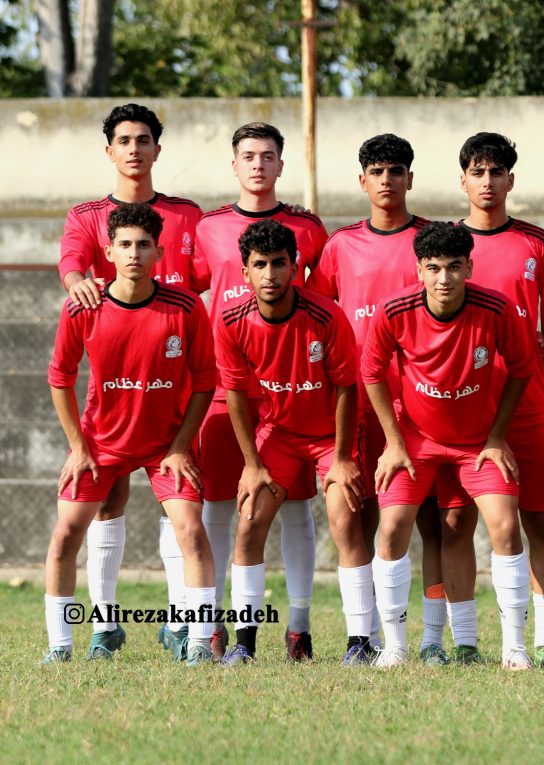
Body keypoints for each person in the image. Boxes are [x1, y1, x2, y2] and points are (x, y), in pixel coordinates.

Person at [58, 103, 203, 661]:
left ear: (157, 150)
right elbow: (72, 267)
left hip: (177, 373)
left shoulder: (188, 216)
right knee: (108, 501)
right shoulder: (87, 214)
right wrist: (78, 284)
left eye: (144, 139)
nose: (134, 149)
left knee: (180, 501)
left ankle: (180, 620)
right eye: (124, 140)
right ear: (110, 150)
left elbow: (220, 273)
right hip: (116, 386)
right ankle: (104, 625)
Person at [362, 222, 535, 669]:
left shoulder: (496, 309)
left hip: (476, 443)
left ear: (469, 268)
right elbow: (372, 372)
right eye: (434, 268)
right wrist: (394, 442)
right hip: (415, 441)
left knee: (503, 526)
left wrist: (497, 436)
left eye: (454, 267)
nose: (444, 279)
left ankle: (513, 647)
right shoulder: (394, 310)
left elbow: (520, 368)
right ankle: (396, 646)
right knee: (393, 528)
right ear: (418, 269)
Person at [307, 133, 446, 665]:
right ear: (361, 180)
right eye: (376, 171)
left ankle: (432, 638)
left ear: (410, 178)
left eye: (396, 170)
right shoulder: (340, 246)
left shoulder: (434, 240)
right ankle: (361, 637)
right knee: (357, 517)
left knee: (431, 523)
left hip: (424, 404)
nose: (386, 180)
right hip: (358, 405)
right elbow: (316, 317)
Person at [192, 122, 328, 660]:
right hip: (229, 391)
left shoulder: (308, 228)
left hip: (292, 392)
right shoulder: (207, 228)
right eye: (247, 155)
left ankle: (298, 628)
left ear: (280, 165)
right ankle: (211, 623)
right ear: (234, 165)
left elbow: (319, 303)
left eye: (267, 156)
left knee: (295, 510)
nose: (257, 165)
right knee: (221, 506)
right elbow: (187, 293)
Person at [213, 219, 361, 665]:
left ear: (295, 267)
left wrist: (340, 457)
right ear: (245, 273)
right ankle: (245, 643)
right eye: (260, 265)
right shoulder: (232, 321)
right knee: (249, 522)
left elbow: (346, 388)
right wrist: (252, 463)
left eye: (279, 263)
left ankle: (360, 642)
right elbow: (237, 395)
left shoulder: (327, 316)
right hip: (278, 434)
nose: (270, 274)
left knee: (345, 521)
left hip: (328, 438)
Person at [454, 132, 544, 668]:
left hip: (523, 405)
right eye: (477, 172)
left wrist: (539, 388)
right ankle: (455, 640)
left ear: (510, 180)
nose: (487, 181)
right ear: (463, 181)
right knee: (454, 523)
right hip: (460, 406)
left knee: (538, 519)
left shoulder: (536, 243)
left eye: (496, 172)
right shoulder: (446, 244)